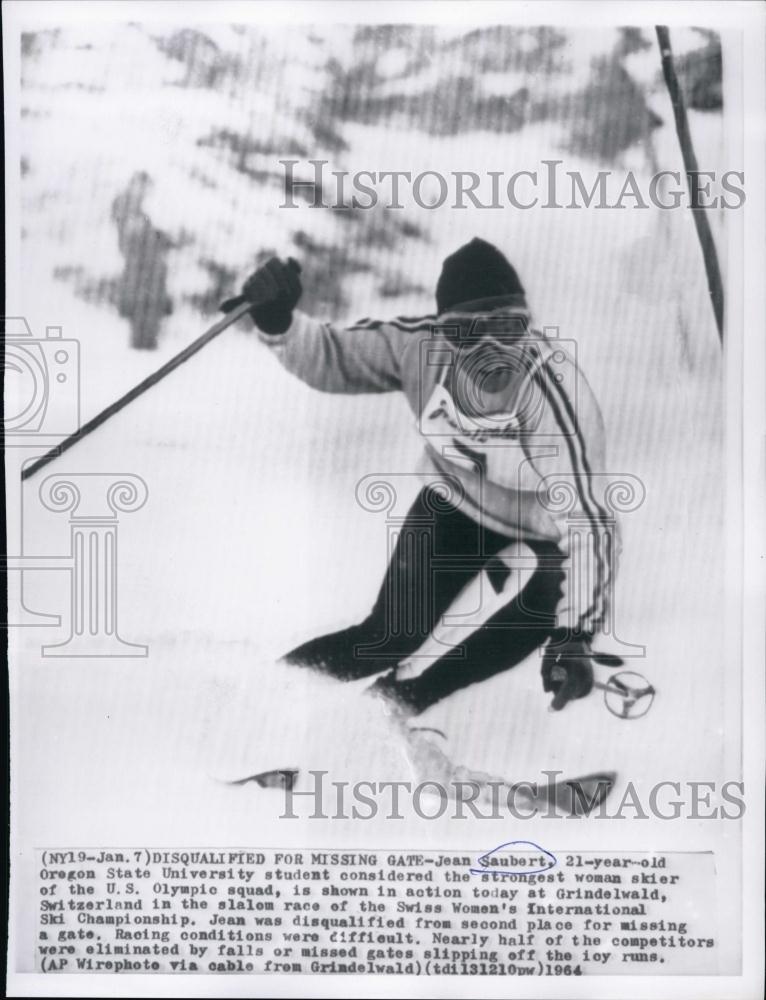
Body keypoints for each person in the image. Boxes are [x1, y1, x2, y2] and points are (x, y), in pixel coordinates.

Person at [223, 238, 616, 716]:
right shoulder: (418, 348)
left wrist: (574, 637)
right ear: (444, 333)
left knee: (541, 610)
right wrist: (278, 322)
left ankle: (387, 715)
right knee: (389, 636)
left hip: (541, 528)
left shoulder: (554, 394)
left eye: (509, 329)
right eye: (469, 333)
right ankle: (254, 705)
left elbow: (588, 523)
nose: (493, 351)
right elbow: (334, 355)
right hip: (456, 504)